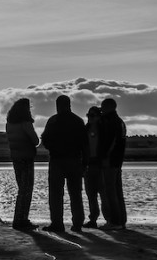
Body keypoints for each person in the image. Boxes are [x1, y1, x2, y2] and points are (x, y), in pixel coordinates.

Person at [41, 95, 88, 232]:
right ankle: (77, 223)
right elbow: (85, 144)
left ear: (57, 105)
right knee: (75, 194)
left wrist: (53, 148)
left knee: (56, 194)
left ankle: (57, 223)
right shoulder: (78, 121)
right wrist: (85, 162)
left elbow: (45, 139)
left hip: (57, 160)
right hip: (74, 160)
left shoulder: (53, 120)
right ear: (69, 105)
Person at [6, 98, 40, 230]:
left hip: (16, 158)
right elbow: (35, 140)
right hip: (26, 158)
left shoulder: (9, 124)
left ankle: (19, 218)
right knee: (26, 190)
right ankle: (21, 219)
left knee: (21, 189)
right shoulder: (25, 123)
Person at [98, 98, 127, 231]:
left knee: (111, 191)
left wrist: (105, 156)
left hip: (110, 161)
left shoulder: (111, 122)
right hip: (117, 161)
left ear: (108, 107)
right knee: (117, 190)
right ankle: (121, 220)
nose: (101, 109)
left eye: (103, 107)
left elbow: (110, 142)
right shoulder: (119, 121)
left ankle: (115, 221)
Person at [83, 106, 110, 229]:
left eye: (92, 116)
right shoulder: (86, 129)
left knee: (104, 194)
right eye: (88, 115)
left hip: (100, 165)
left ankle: (109, 219)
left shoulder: (103, 129)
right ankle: (93, 219)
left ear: (98, 117)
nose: (90, 118)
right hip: (89, 164)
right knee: (91, 194)